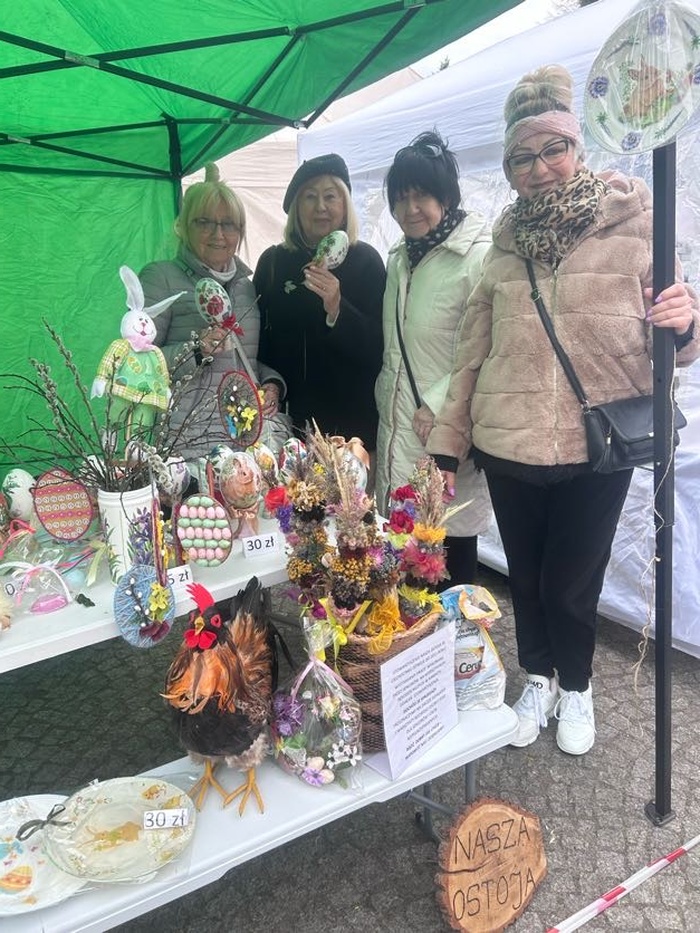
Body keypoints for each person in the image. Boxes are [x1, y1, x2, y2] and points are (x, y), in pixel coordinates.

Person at [427, 65, 700, 755]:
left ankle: (576, 683)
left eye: (553, 149)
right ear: (510, 169)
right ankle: (539, 677)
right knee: (525, 576)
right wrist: (445, 448)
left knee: (572, 580)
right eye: (522, 157)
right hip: (507, 441)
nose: (540, 167)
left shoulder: (635, 223)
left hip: (595, 441)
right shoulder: (501, 249)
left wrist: (686, 321)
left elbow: (679, 337)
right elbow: (470, 355)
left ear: (577, 147)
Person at [375, 131, 492, 587]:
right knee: (404, 565)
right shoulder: (398, 260)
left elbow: (485, 347)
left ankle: (457, 634)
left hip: (445, 433)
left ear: (446, 196)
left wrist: (439, 406)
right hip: (398, 426)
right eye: (401, 198)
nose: (410, 209)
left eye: (421, 196)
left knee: (449, 559)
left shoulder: (477, 257)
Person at [140, 163, 283, 464]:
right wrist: (195, 349)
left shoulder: (245, 286)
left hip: (243, 438)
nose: (218, 234)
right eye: (204, 222)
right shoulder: (160, 278)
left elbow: (246, 358)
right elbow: (138, 363)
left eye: (229, 224)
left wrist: (272, 383)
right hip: (188, 442)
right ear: (184, 226)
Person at [254, 153, 386, 454]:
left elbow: (380, 347)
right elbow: (258, 343)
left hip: (352, 431)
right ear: (296, 208)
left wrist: (338, 309)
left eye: (330, 196)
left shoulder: (366, 261)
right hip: (287, 427)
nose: (321, 207)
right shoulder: (274, 262)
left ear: (345, 205)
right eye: (310, 197)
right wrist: (270, 384)